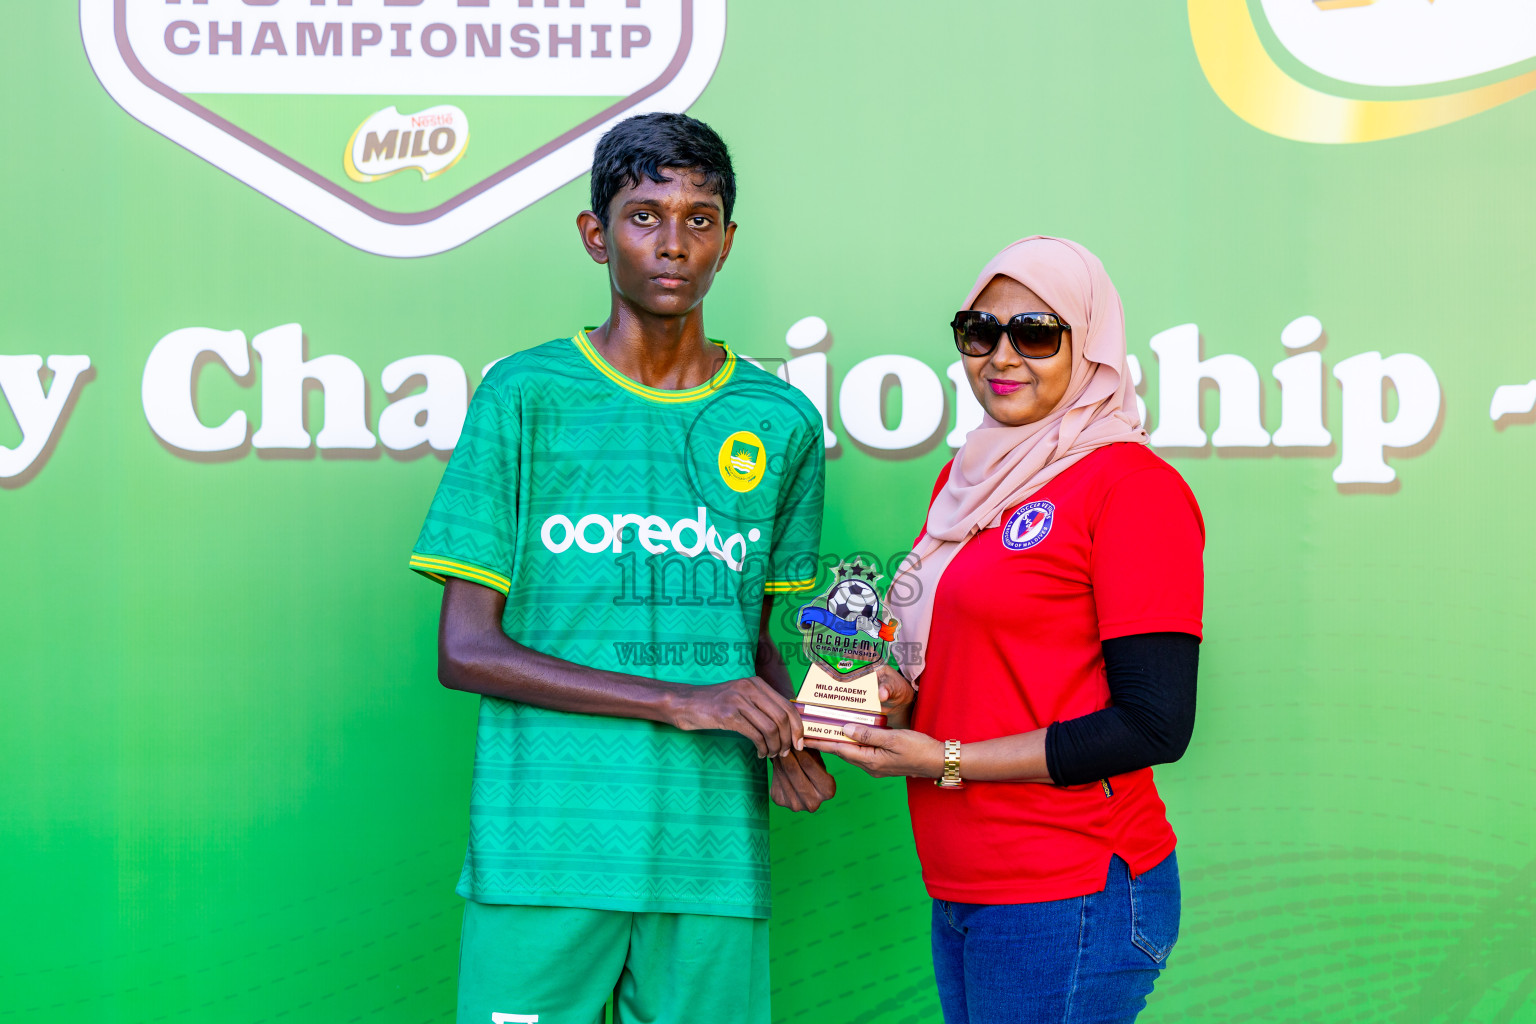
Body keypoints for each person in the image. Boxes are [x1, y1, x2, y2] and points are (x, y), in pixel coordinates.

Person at [408, 112, 837, 1024]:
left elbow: (753, 640)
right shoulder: (525, 396)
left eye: (699, 217)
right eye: (645, 216)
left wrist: (792, 726)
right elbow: (467, 651)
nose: (673, 244)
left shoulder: (783, 420)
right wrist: (682, 700)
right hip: (542, 852)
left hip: (711, 855)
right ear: (595, 235)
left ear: (727, 240)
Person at [811, 237, 1204, 1024]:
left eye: (1036, 333)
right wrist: (887, 700)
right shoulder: (975, 475)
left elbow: (1155, 723)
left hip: (1070, 888)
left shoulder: (1132, 489)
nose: (1001, 355)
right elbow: (979, 662)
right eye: (978, 330)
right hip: (966, 884)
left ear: (1088, 345)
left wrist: (947, 759)